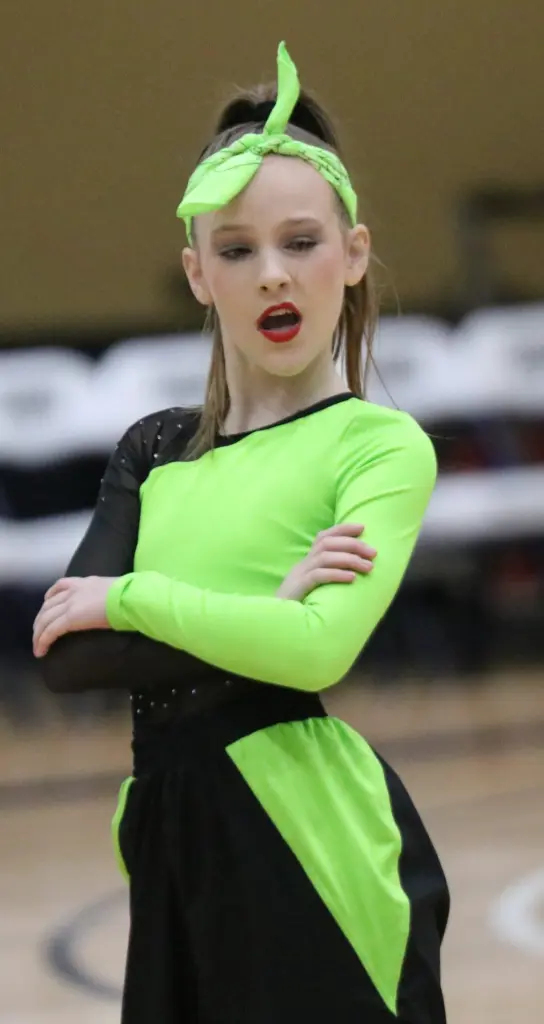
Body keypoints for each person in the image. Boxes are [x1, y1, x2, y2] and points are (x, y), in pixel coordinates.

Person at [33, 42, 449, 1024]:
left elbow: (317, 649)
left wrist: (130, 598)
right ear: (197, 273)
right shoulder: (154, 449)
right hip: (169, 843)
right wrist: (265, 606)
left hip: (312, 847)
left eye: (301, 242)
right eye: (236, 250)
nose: (271, 276)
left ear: (353, 255)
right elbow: (68, 656)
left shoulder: (379, 446)